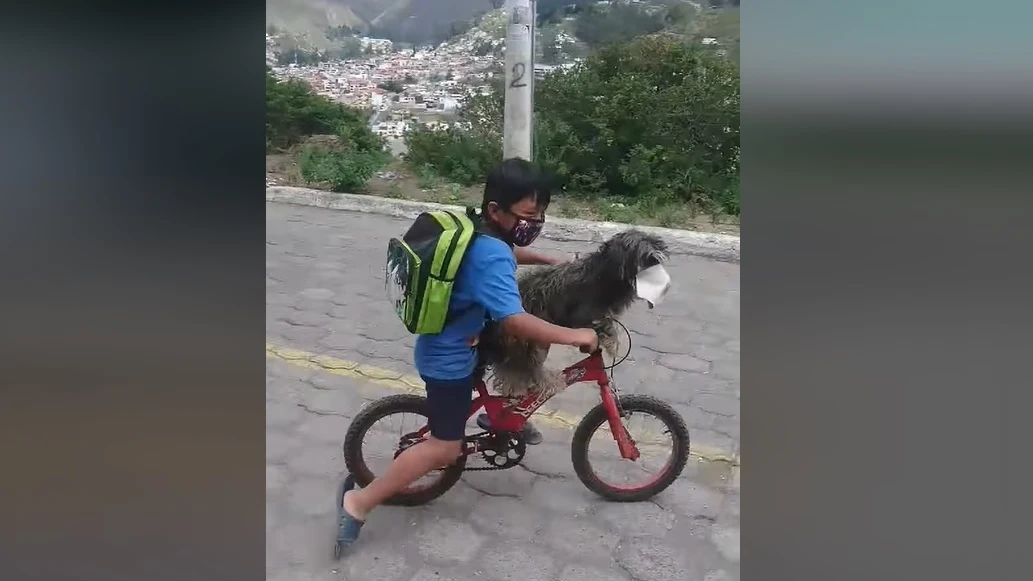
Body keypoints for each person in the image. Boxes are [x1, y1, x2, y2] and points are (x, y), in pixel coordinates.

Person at [336, 158, 598, 550]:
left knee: (516, 358)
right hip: (449, 360)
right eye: (529, 214)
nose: (537, 222)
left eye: (542, 213)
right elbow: (513, 319)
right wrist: (572, 334)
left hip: (463, 340)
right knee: (444, 447)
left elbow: (499, 256)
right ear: (496, 210)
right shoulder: (492, 252)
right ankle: (359, 502)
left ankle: (504, 419)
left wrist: (547, 258)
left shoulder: (481, 229)